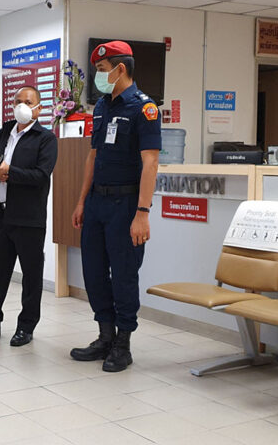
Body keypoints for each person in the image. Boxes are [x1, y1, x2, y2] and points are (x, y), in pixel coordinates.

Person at [70, 41, 161, 372]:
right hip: (97, 203)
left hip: (126, 205)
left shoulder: (144, 109)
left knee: (123, 275)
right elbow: (93, 156)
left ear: (121, 69)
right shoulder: (101, 107)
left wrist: (143, 213)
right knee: (93, 273)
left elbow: (150, 163)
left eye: (102, 69)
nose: (98, 75)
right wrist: (81, 200)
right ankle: (104, 336)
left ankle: (123, 344)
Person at [0, 86, 58, 347]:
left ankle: (26, 327)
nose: (21, 105)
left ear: (39, 107)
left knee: (31, 275)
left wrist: (10, 173)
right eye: (17, 101)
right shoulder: (5, 131)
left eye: (28, 101)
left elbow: (41, 175)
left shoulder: (45, 138)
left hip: (29, 218)